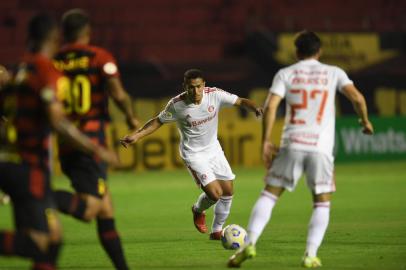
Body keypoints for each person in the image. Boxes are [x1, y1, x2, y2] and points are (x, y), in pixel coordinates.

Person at [228, 30, 374, 268]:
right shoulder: (334, 72)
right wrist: (365, 122)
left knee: (269, 195)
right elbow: (357, 99)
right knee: (321, 202)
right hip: (321, 148)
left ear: (296, 52)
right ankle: (310, 254)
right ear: (320, 51)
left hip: (292, 143)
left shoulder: (285, 74)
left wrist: (266, 139)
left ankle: (250, 243)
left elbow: (271, 105)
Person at [0, 14, 118, 270]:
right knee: (36, 243)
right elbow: (58, 122)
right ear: (55, 38)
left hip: (10, 162)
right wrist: (96, 148)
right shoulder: (46, 70)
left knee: (53, 238)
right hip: (27, 167)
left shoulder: (18, 70)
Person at [120, 68, 263, 240]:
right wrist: (136, 136)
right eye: (190, 87)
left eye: (198, 87)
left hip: (214, 149)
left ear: (204, 85)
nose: (195, 91)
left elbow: (240, 101)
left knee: (228, 191)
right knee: (215, 194)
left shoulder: (215, 95)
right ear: (185, 86)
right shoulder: (176, 104)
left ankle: (217, 231)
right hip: (193, 154)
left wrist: (255, 108)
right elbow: (158, 121)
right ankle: (197, 210)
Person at [52, 9, 140, 270]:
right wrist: (130, 117)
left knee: (105, 210)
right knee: (90, 208)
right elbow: (118, 93)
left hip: (66, 140)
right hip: (91, 143)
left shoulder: (53, 61)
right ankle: (36, 194)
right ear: (87, 32)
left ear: (64, 34)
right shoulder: (99, 56)